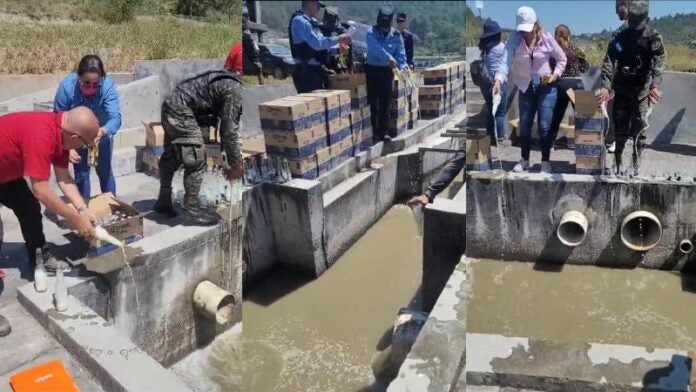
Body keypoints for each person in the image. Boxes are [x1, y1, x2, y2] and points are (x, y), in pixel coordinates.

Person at [0, 107, 100, 337]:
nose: (82, 149)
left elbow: (64, 178)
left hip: (4, 173)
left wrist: (83, 210)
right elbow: (42, 191)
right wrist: (75, 220)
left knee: (28, 208)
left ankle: (39, 258)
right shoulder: (42, 135)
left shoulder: (60, 133)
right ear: (74, 136)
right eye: (84, 144)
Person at [153, 70, 243, 226]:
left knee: (176, 154)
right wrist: (236, 164)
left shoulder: (230, 84)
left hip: (173, 105)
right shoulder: (236, 91)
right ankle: (191, 212)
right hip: (180, 109)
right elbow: (229, 131)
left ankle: (164, 200)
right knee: (195, 159)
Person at [493, 6, 567, 173]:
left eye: (527, 29)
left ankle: (545, 161)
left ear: (535, 25)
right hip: (525, 87)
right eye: (522, 30)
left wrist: (555, 75)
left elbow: (562, 59)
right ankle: (524, 159)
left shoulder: (547, 39)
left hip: (546, 88)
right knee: (525, 125)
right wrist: (498, 79)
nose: (524, 33)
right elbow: (505, 61)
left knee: (544, 125)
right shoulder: (514, 40)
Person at [597, 0, 664, 175]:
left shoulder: (652, 37)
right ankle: (617, 161)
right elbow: (610, 60)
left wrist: (655, 86)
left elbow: (659, 61)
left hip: (642, 90)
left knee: (640, 128)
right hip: (622, 88)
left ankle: (635, 163)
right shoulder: (620, 36)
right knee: (620, 128)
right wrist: (605, 86)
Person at [54, 55, 122, 200]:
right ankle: (84, 211)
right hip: (76, 138)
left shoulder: (108, 87)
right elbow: (58, 119)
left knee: (105, 172)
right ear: (78, 77)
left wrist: (102, 131)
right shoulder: (66, 88)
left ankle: (112, 209)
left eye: (95, 84)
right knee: (81, 174)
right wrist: (69, 147)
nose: (91, 88)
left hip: (100, 135)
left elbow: (115, 118)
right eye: (86, 83)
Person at [365, 3, 408, 143]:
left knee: (385, 103)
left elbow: (401, 53)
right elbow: (375, 48)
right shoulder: (370, 33)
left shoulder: (396, 36)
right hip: (372, 71)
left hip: (386, 72)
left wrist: (403, 66)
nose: (384, 29)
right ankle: (373, 132)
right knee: (373, 103)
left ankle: (384, 133)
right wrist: (388, 57)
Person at [289, 0, 351, 93]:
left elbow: (322, 49)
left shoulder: (311, 22)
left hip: (315, 72)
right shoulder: (300, 21)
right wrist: (338, 38)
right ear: (310, 3)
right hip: (305, 73)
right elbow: (317, 44)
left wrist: (338, 50)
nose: (318, 9)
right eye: (317, 5)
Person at [549, 24, 590, 149]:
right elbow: (585, 67)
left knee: (556, 115)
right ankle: (585, 143)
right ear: (569, 36)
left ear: (556, 36)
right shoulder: (576, 50)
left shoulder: (554, 51)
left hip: (561, 84)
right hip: (576, 83)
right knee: (583, 115)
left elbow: (551, 69)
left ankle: (550, 143)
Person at [478, 20, 509, 144]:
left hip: (485, 85)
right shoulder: (500, 48)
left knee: (490, 111)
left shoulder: (485, 49)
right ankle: (500, 138)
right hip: (498, 83)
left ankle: (490, 137)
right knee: (500, 113)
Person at [319, 6, 354, 75]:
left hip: (340, 67)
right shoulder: (319, 31)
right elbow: (321, 47)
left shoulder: (341, 30)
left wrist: (350, 68)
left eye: (333, 21)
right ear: (324, 19)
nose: (331, 24)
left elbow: (349, 50)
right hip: (324, 68)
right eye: (329, 21)